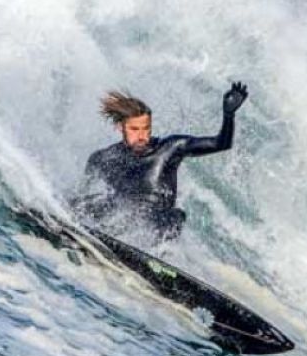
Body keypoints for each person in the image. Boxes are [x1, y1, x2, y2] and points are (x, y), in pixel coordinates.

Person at [74, 82, 249, 243]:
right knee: (92, 201)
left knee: (175, 216)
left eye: (146, 128)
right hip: (122, 224)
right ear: (120, 127)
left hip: (157, 227)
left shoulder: (170, 148)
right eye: (135, 129)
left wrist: (228, 115)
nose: (142, 136)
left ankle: (157, 254)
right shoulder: (103, 159)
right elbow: (84, 191)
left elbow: (221, 143)